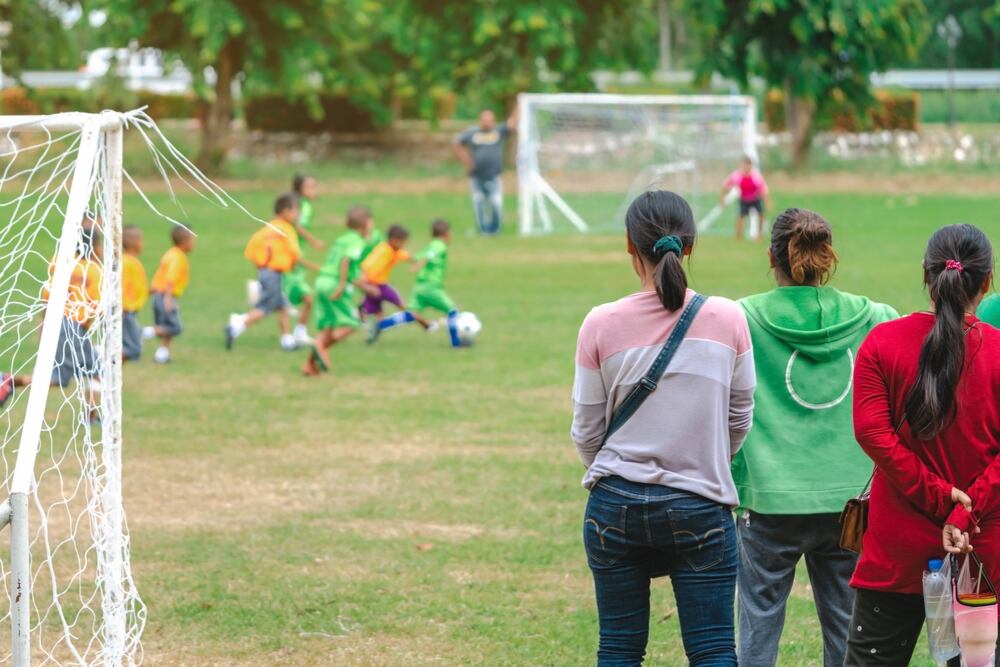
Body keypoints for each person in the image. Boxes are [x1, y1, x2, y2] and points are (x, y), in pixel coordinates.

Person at [571, 190, 756, 666]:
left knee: (617, 647)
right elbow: (739, 419)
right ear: (689, 246)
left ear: (630, 245)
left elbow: (587, 432)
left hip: (614, 504)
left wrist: (621, 473)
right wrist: (704, 457)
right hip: (701, 504)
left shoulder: (599, 323)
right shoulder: (728, 317)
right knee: (714, 649)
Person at [732, 209, 897, 667]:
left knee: (756, 632)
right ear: (827, 255)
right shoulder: (876, 317)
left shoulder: (739, 318)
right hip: (850, 504)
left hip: (768, 500)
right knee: (847, 633)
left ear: (772, 257)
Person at [845, 224, 999, 666]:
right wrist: (963, 511)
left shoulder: (882, 344)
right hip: (982, 553)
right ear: (986, 282)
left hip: (895, 556)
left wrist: (939, 498)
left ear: (925, 276)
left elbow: (873, 434)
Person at [227, 194, 315, 351]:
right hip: (275, 273)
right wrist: (306, 266)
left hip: (264, 271)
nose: (298, 215)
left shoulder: (265, 229)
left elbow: (251, 251)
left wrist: (262, 268)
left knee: (282, 306)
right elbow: (295, 254)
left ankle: (286, 340)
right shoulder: (287, 229)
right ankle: (238, 323)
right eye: (296, 211)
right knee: (265, 308)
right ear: (286, 211)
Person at [301, 205, 379, 376]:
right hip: (334, 283)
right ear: (365, 224)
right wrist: (342, 285)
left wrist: (365, 287)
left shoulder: (342, 239)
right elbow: (345, 261)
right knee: (351, 323)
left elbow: (350, 271)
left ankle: (309, 366)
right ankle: (319, 346)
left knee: (328, 326)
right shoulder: (357, 241)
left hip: (321, 281)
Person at [47, 221, 103, 421]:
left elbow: (48, 296)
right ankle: (90, 415)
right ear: (94, 246)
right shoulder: (93, 270)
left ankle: (8, 380)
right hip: (73, 326)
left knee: (64, 377)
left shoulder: (61, 263)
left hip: (57, 323)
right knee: (94, 370)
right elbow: (93, 304)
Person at [387, 219, 463, 348]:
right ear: (446, 234)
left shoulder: (430, 244)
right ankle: (456, 344)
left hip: (419, 287)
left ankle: (381, 325)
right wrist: (418, 265)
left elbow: (416, 257)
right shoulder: (439, 244)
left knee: (410, 315)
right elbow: (428, 256)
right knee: (452, 312)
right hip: (431, 287)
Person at [361, 224, 432, 344]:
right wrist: (367, 286)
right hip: (378, 287)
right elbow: (367, 267)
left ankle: (372, 334)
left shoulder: (396, 250)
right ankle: (426, 325)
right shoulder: (382, 251)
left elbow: (411, 258)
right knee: (404, 308)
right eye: (402, 242)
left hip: (377, 286)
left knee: (377, 314)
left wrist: (424, 259)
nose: (403, 245)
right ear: (394, 240)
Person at [454, 106, 518, 235]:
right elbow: (457, 142)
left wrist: (519, 103)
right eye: (485, 119)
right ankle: (483, 230)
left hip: (494, 175)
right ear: (480, 120)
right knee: (479, 203)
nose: (487, 121)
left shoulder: (498, 131)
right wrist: (467, 161)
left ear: (493, 120)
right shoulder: (472, 132)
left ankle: (495, 230)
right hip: (476, 176)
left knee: (496, 202)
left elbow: (512, 123)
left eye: (490, 119)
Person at [144, 226, 194, 364]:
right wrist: (168, 298)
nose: (193, 243)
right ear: (184, 241)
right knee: (175, 327)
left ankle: (162, 355)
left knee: (167, 327)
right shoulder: (178, 257)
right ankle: (142, 333)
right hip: (165, 295)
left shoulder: (171, 253)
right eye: (191, 240)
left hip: (160, 294)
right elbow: (170, 278)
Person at [286, 174, 325, 346]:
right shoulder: (299, 205)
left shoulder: (305, 205)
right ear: (300, 189)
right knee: (307, 298)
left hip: (296, 253)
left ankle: (297, 333)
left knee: (295, 296)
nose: (314, 190)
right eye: (310, 186)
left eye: (315, 186)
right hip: (292, 254)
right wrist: (314, 241)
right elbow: (297, 227)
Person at [721, 156, 771, 241]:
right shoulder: (736, 175)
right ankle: (738, 236)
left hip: (755, 198)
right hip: (743, 199)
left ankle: (759, 235)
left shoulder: (756, 176)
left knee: (761, 215)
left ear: (750, 166)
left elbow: (763, 190)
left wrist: (767, 203)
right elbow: (726, 185)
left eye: (747, 165)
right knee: (740, 217)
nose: (745, 167)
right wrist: (723, 198)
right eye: (743, 165)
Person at [122, 225, 148, 362]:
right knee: (134, 348)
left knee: (129, 347)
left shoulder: (132, 262)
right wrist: (123, 307)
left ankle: (105, 377)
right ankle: (101, 360)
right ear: (135, 243)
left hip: (130, 311)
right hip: (126, 311)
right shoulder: (127, 263)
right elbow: (122, 287)